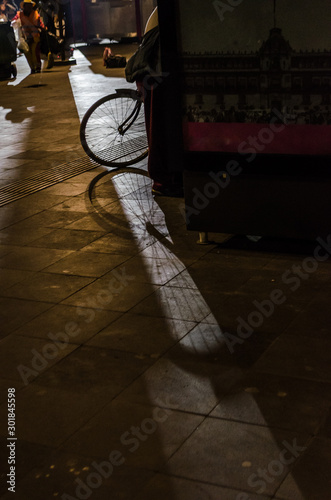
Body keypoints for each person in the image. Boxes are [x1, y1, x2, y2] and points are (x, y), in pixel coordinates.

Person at [128, 7, 183, 197]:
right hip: (158, 73)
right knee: (161, 127)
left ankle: (166, 178)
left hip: (154, 71)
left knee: (159, 127)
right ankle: (164, 181)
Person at [12, 0, 44, 73]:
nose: (29, 7)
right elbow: (14, 21)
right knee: (27, 53)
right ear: (24, 7)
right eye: (28, 5)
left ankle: (37, 67)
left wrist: (44, 28)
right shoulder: (19, 15)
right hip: (25, 38)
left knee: (35, 52)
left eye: (30, 6)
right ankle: (32, 68)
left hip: (35, 37)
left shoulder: (35, 14)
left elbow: (40, 23)